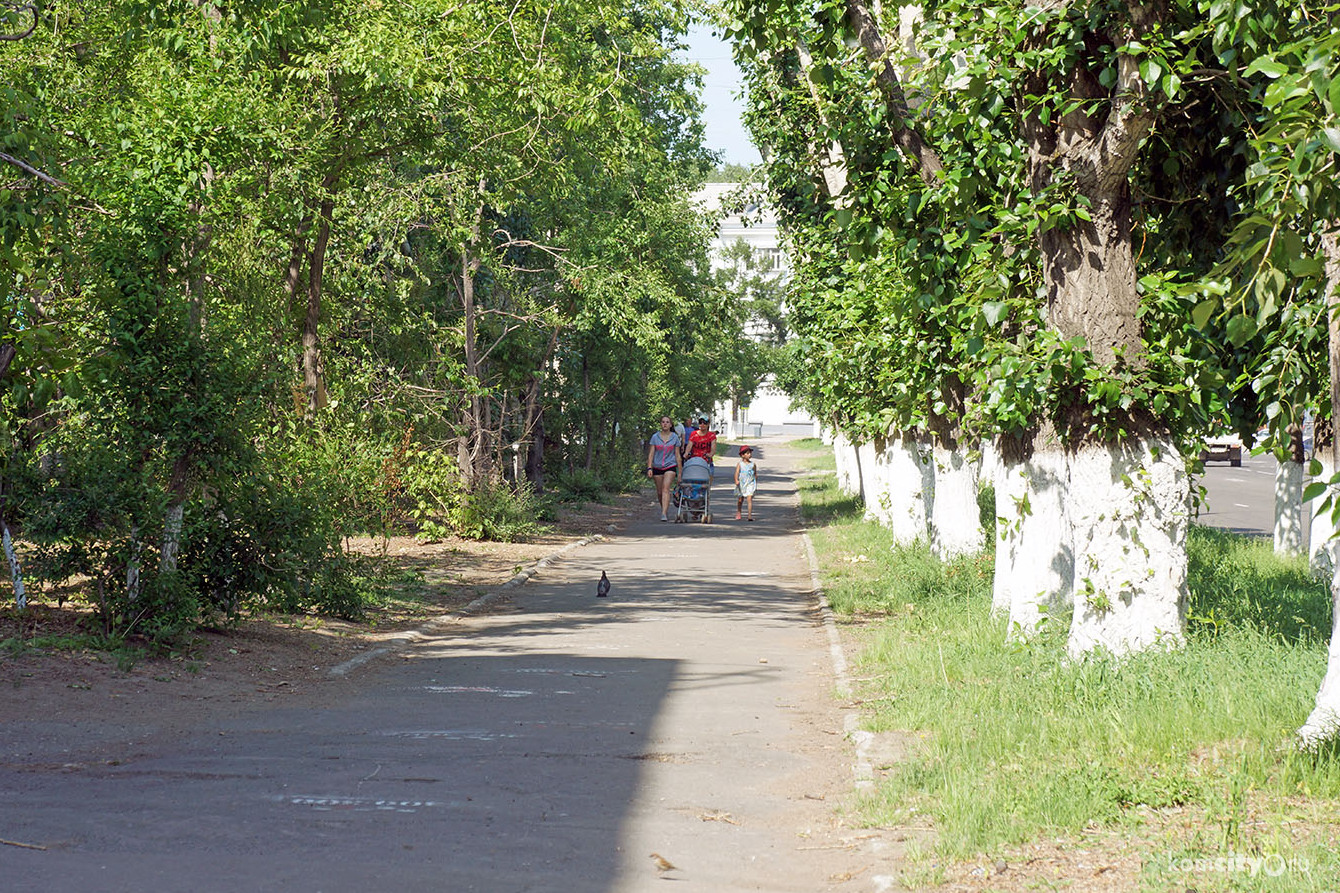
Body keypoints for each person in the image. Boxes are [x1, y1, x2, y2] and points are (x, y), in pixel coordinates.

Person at [646, 415, 682, 521]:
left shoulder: (674, 437)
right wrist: (649, 468)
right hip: (657, 466)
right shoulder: (655, 437)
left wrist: (679, 472)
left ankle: (664, 513)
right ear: (660, 424)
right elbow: (651, 454)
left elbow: (677, 455)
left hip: (670, 466)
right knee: (660, 492)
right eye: (663, 422)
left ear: (670, 425)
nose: (665, 424)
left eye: (667, 422)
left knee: (666, 489)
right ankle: (664, 508)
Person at [734, 445, 757, 521]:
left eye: (750, 453)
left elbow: (755, 473)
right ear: (742, 455)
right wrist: (736, 480)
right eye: (747, 453)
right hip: (742, 483)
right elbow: (737, 473)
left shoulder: (753, 464)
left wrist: (755, 480)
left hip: (750, 483)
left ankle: (749, 515)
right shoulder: (740, 464)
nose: (749, 455)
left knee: (749, 498)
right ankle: (739, 511)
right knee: (741, 499)